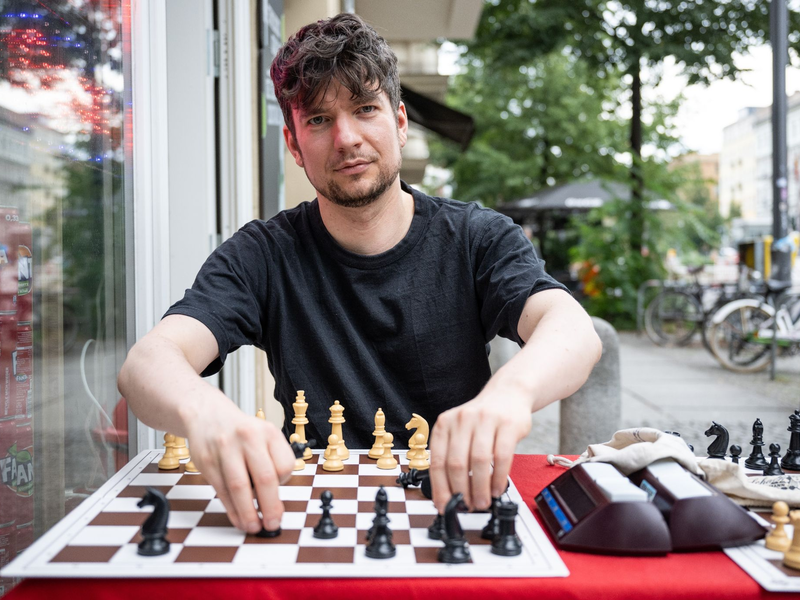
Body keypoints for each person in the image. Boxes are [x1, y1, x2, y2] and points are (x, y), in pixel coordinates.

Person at [118, 13, 602, 537]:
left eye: (365, 109)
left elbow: (573, 331)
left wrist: (511, 393)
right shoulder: (263, 254)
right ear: (293, 144)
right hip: (310, 516)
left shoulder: (476, 237)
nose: (347, 138)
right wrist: (202, 411)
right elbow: (145, 365)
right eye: (319, 120)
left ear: (399, 122)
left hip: (455, 506)